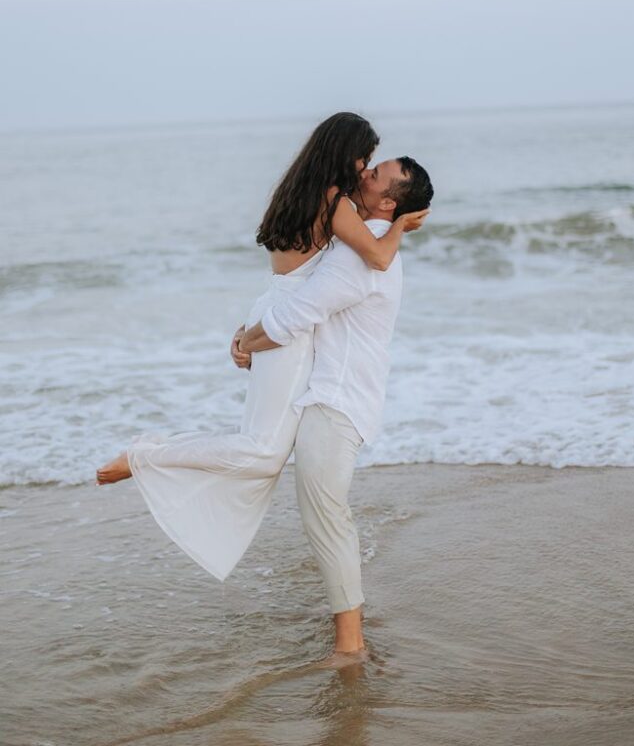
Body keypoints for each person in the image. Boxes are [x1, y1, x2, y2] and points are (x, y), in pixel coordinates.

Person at [95, 113, 427, 592]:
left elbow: (295, 275)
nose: (364, 169)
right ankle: (147, 455)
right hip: (286, 327)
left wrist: (252, 332)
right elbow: (376, 258)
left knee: (262, 449)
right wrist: (401, 225)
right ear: (344, 154)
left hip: (275, 308)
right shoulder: (338, 204)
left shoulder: (301, 188)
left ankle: (151, 455)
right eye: (364, 160)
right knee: (261, 452)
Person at [235, 155, 434, 666]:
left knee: (325, 512)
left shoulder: (360, 252)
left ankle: (350, 645)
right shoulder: (367, 241)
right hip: (332, 393)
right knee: (324, 510)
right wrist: (248, 336)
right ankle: (348, 630)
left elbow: (298, 315)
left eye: (376, 174)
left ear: (388, 202)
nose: (363, 175)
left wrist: (247, 344)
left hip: (338, 399)